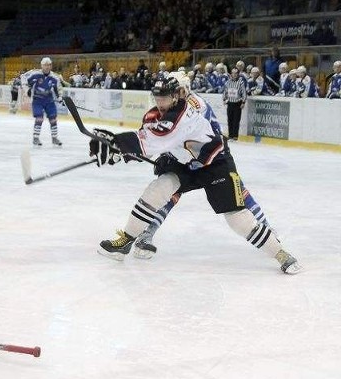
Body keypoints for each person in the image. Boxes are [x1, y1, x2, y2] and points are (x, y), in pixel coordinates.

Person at [88, 77, 301, 275]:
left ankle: (280, 253)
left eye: (165, 97)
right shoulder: (154, 115)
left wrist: (117, 142)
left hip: (214, 163)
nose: (160, 102)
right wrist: (121, 154)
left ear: (175, 96)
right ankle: (126, 241)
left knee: (238, 219)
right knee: (158, 189)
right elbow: (148, 140)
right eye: (157, 97)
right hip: (186, 165)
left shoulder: (183, 113)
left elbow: (159, 137)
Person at [22, 57, 63, 147]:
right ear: (41, 66)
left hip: (49, 100)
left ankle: (54, 138)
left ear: (51, 66)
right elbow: (23, 79)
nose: (47, 67)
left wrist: (60, 97)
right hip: (38, 100)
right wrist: (27, 90)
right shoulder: (35, 74)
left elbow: (58, 89)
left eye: (49, 65)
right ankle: (35, 138)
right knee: (39, 118)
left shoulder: (54, 77)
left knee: (53, 119)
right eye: (45, 65)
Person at [222, 67, 248, 141]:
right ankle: (230, 135)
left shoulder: (241, 82)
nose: (234, 74)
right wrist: (224, 99)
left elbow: (244, 93)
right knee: (230, 120)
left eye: (236, 73)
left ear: (238, 74)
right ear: (231, 74)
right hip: (230, 103)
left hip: (237, 103)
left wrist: (243, 102)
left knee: (236, 120)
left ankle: (235, 136)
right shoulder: (228, 82)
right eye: (233, 73)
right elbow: (225, 91)